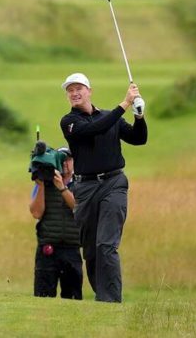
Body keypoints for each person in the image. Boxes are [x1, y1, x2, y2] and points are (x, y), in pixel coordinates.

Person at [60, 73, 147, 303]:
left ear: (89, 91)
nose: (74, 93)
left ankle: (109, 300)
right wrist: (125, 103)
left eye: (79, 88)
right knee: (91, 250)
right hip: (85, 188)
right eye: (70, 90)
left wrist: (139, 116)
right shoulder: (69, 122)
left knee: (106, 244)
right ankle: (102, 294)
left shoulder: (112, 117)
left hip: (114, 184)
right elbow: (94, 129)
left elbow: (139, 139)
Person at [28, 148, 82, 299]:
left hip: (72, 248)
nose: (65, 163)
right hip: (48, 248)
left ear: (75, 162)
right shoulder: (44, 183)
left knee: (73, 299)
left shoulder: (81, 184)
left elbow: (78, 209)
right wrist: (41, 185)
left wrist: (62, 188)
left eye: (69, 159)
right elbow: (36, 213)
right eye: (61, 159)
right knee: (42, 297)